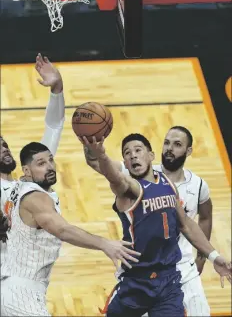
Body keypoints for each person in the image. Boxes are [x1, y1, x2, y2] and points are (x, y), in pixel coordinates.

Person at [80, 135, 231, 317]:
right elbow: (112, 175)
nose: (133, 156)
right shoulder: (128, 189)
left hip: (168, 281)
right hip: (136, 282)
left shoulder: (167, 183)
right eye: (127, 153)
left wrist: (214, 256)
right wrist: (100, 153)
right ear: (125, 164)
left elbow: (186, 225)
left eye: (138, 150)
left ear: (151, 155)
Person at [0, 142, 141, 317]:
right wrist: (105, 244)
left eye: (51, 160)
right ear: (26, 171)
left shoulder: (19, 187)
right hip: (21, 293)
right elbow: (63, 230)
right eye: (41, 164)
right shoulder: (35, 197)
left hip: (14, 287)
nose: (50, 167)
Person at [0, 53, 65, 263]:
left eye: (4, 143)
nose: (4, 148)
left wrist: (56, 90)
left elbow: (53, 126)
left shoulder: (30, 180)